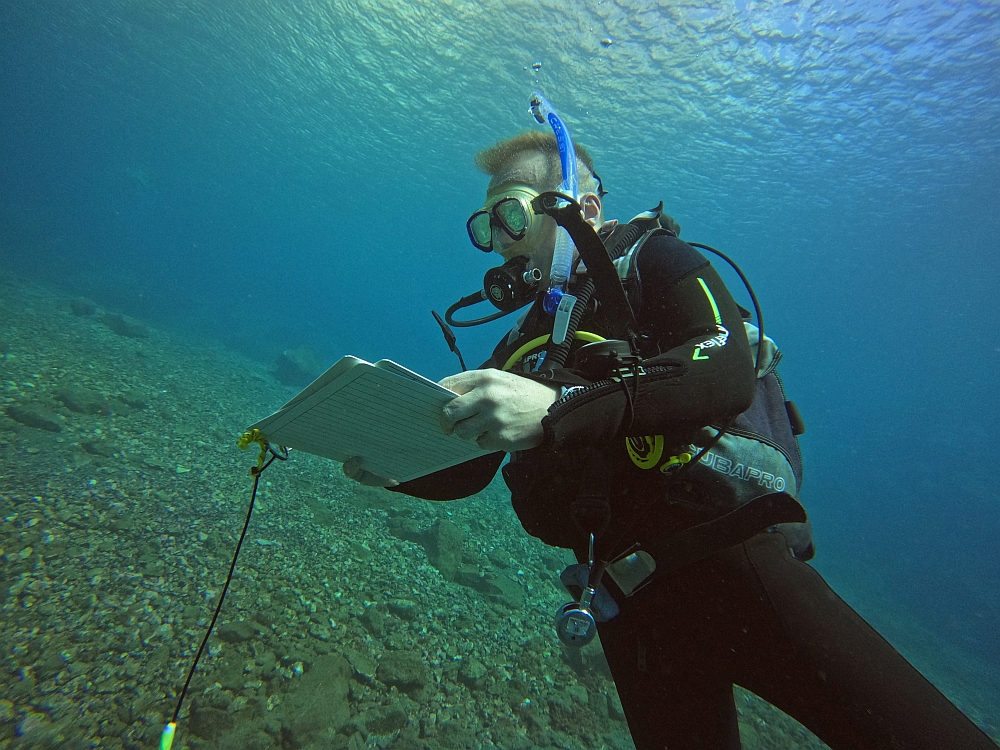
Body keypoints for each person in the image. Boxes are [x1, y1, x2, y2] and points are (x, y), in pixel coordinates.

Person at [343, 130, 998, 750]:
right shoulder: (523, 343)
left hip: (735, 567)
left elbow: (728, 369)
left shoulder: (653, 261)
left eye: (510, 217)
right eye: (484, 228)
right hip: (631, 606)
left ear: (584, 207)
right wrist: (397, 465)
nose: (497, 244)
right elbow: (474, 465)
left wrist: (556, 408)